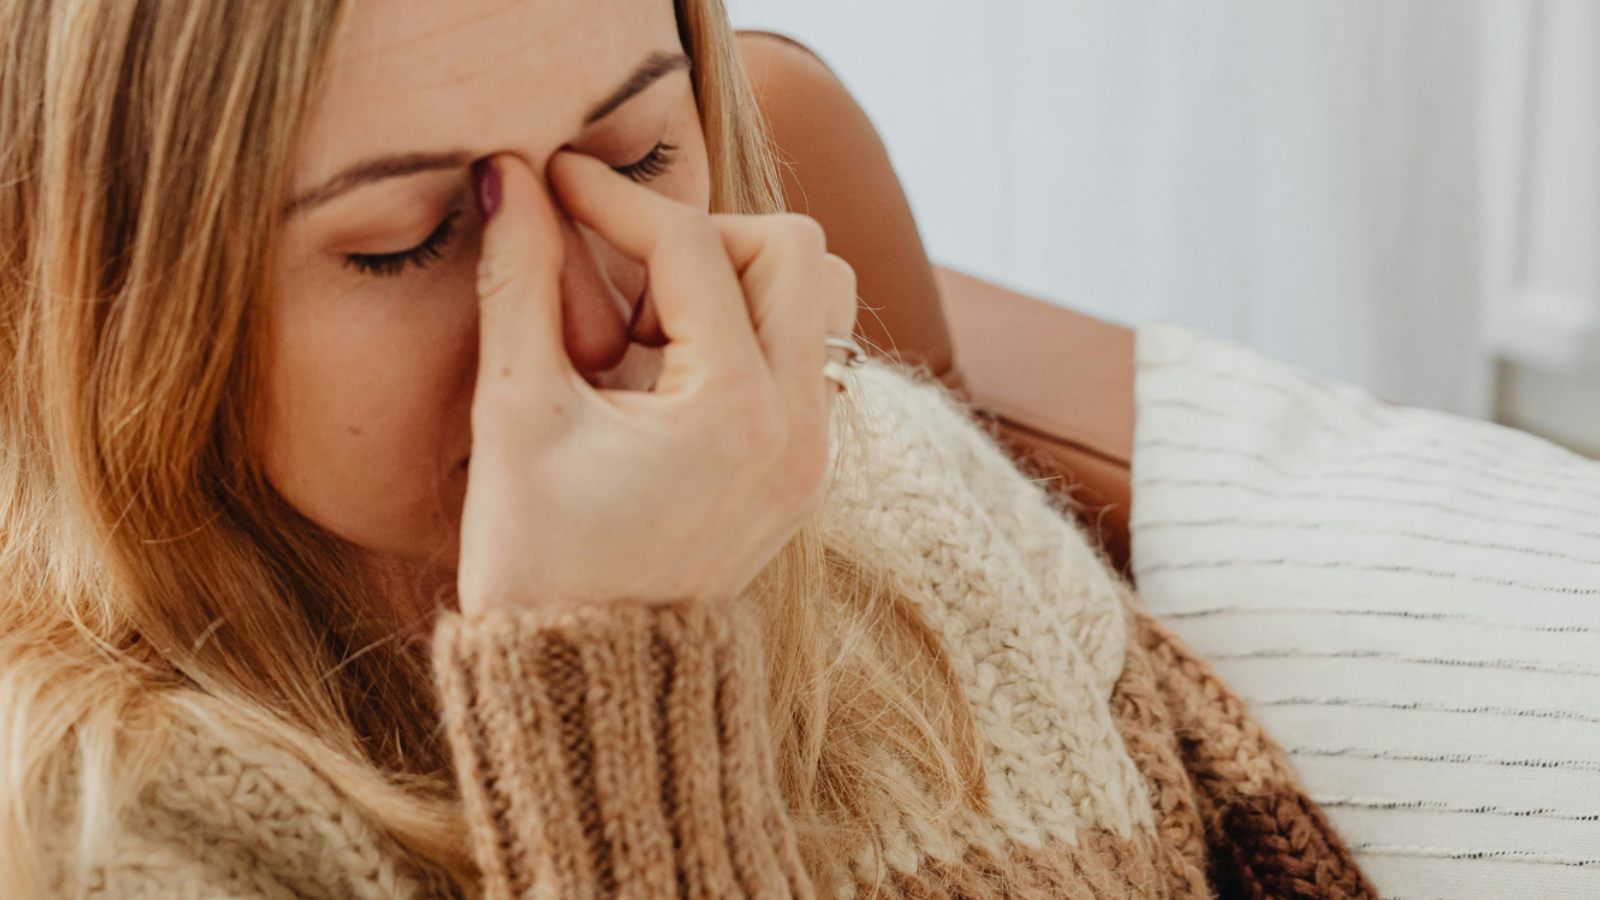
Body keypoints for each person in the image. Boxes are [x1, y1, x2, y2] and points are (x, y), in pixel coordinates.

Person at [0, 1, 1375, 896]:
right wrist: (612, 673)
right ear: (113, 300)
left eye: (641, 159)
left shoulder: (900, 478)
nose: (590, 317)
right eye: (406, 241)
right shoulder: (94, 827)